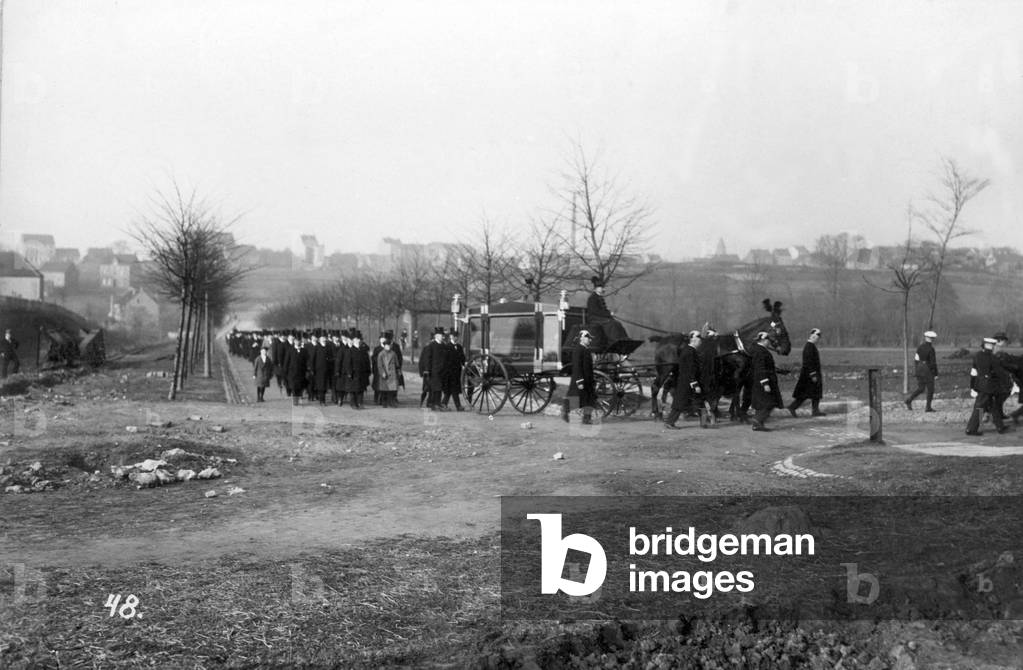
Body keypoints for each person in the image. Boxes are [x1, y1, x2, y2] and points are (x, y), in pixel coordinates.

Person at [966, 337, 1009, 436]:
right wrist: (1007, 383)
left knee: (992, 405)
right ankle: (971, 429)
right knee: (979, 407)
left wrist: (972, 386)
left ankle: (1000, 426)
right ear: (992, 346)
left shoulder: (977, 355)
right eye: (992, 345)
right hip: (989, 386)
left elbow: (974, 372)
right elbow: (1000, 373)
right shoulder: (993, 358)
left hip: (979, 384)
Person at [663, 330, 706, 429]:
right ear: (694, 340)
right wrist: (695, 384)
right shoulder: (690, 352)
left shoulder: (689, 350)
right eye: (699, 340)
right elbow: (690, 369)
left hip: (687, 381)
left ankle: (704, 423)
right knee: (680, 403)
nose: (700, 342)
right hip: (687, 382)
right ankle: (669, 422)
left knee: (698, 401)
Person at [749, 331, 782, 431]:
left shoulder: (758, 350)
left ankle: (758, 424)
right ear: (763, 340)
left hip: (760, 381)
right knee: (769, 403)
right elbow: (760, 368)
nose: (769, 342)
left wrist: (779, 371)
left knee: (762, 403)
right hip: (764, 382)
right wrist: (765, 383)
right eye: (768, 340)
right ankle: (757, 420)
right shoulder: (760, 351)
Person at [788, 328, 825, 417]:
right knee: (804, 394)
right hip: (809, 375)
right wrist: (813, 374)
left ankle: (815, 411)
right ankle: (792, 407)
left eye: (818, 337)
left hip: (811, 374)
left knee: (815, 393)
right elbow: (808, 362)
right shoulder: (809, 347)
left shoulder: (811, 346)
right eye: (816, 336)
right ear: (812, 336)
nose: (817, 338)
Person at [563, 328, 597, 424]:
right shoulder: (578, 350)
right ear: (582, 338)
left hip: (588, 379)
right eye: (588, 338)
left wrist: (591, 380)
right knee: (575, 397)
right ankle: (565, 413)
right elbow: (577, 366)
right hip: (580, 379)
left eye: (590, 338)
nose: (590, 340)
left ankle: (586, 418)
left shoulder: (586, 350)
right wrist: (580, 381)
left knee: (589, 399)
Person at [585, 277, 628, 345]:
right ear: (596, 289)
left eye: (602, 287)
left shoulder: (600, 297)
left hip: (601, 318)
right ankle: (614, 341)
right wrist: (608, 314)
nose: (602, 289)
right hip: (594, 318)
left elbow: (603, 310)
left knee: (617, 323)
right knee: (612, 324)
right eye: (600, 287)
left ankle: (624, 339)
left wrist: (609, 313)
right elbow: (595, 311)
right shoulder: (592, 298)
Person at [904, 330, 939, 412]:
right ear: (931, 339)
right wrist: (935, 373)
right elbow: (933, 363)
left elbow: (916, 359)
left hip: (919, 368)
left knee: (921, 388)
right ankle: (928, 407)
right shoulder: (931, 349)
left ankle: (909, 400)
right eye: (932, 338)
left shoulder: (920, 347)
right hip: (927, 369)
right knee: (930, 389)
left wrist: (917, 369)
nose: (931, 339)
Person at [418, 327, 448, 410]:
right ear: (436, 336)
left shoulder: (444, 346)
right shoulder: (431, 346)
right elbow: (427, 359)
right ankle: (433, 403)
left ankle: (437, 403)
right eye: (441, 335)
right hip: (434, 371)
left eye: (443, 335)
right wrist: (427, 370)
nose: (443, 337)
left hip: (442, 371)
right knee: (434, 388)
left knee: (439, 388)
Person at [441, 329, 466, 411]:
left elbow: (462, 358)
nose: (455, 338)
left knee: (452, 390)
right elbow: (444, 360)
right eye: (454, 336)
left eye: (456, 336)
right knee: (451, 390)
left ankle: (444, 404)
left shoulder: (459, 347)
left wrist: (464, 365)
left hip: (457, 372)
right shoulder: (447, 347)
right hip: (449, 372)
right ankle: (457, 406)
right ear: (451, 336)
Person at [376, 338, 400, 407]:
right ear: (384, 346)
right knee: (384, 389)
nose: (388, 346)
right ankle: (384, 402)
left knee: (392, 390)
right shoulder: (381, 354)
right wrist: (382, 372)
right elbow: (379, 365)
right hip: (385, 373)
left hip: (392, 374)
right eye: (386, 345)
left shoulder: (393, 353)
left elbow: (397, 363)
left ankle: (391, 402)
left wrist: (398, 371)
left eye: (389, 345)